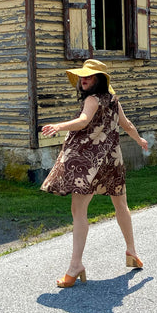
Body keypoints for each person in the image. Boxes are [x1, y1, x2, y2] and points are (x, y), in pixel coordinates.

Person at [40, 59, 148, 288]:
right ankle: (132, 251)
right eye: (82, 76)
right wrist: (139, 140)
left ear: (99, 79)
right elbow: (126, 124)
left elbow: (83, 121)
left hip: (90, 163)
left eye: (89, 76)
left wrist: (59, 126)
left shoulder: (92, 99)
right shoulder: (113, 100)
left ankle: (75, 266)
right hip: (112, 160)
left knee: (79, 210)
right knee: (121, 206)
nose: (84, 79)